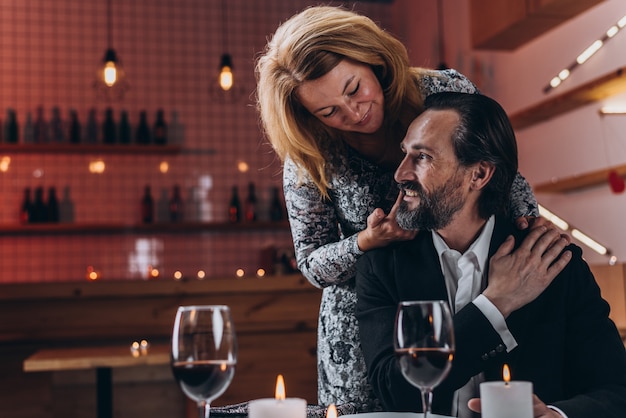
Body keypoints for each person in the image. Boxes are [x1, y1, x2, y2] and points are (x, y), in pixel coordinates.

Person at [255, 5, 543, 410]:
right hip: (365, 320)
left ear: (372, 57)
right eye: (329, 112)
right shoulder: (307, 154)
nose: (353, 112)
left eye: (354, 89)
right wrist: (365, 242)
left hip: (459, 282)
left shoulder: (441, 93)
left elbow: (496, 166)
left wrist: (532, 227)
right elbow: (312, 264)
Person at [355, 91, 626, 418]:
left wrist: (555, 415)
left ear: (479, 174)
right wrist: (495, 304)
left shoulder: (554, 260)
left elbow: (616, 390)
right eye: (405, 153)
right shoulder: (383, 264)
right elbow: (394, 392)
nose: (400, 173)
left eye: (423, 157)